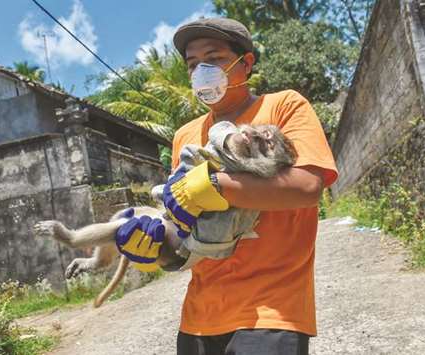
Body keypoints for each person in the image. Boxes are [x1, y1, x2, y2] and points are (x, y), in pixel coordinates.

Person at [116, 17, 338, 355]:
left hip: (272, 312)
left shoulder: (284, 106)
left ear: (245, 63)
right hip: (199, 319)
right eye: (193, 64)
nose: (201, 70)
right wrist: (157, 250)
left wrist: (216, 184)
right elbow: (189, 234)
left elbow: (307, 188)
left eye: (214, 58)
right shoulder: (185, 136)